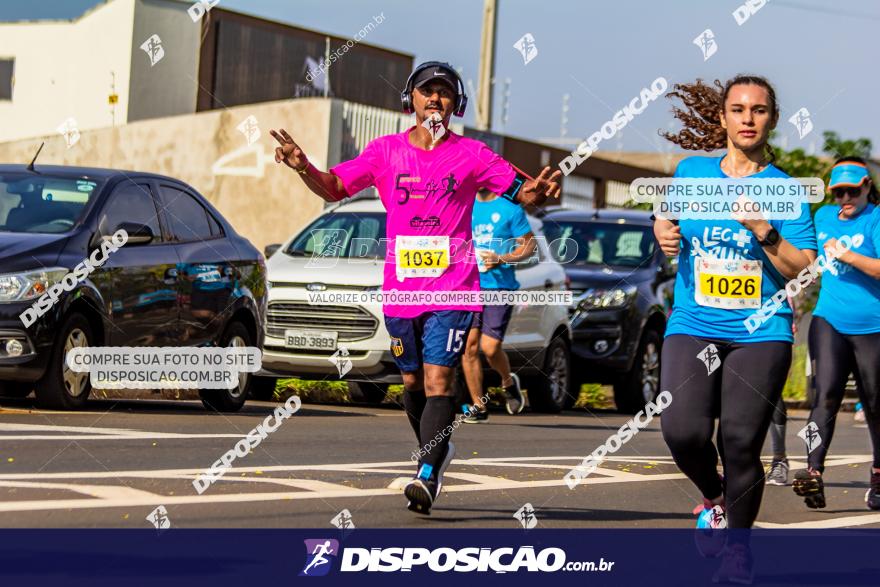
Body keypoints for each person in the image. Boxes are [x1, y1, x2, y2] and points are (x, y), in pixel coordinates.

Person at [270, 61, 560, 516]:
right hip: (401, 291)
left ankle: (427, 471)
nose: (435, 99)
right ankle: (436, 448)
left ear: (455, 105)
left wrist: (537, 192)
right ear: (411, 101)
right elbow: (332, 187)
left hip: (454, 287)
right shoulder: (385, 152)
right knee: (410, 382)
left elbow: (523, 191)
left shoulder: (473, 155)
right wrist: (302, 165)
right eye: (427, 91)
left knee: (438, 378)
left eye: (444, 93)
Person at [655, 75, 817, 583]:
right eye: (739, 109)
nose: (748, 118)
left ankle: (738, 551)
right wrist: (660, 228)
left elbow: (804, 267)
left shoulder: (785, 189)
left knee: (742, 442)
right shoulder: (691, 173)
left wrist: (764, 231)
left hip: (761, 331)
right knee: (681, 430)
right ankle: (715, 495)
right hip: (694, 321)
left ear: (771, 119)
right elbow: (667, 217)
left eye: (760, 110)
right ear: (723, 117)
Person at [792, 157, 880, 511]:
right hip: (829, 318)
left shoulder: (875, 218)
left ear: (867, 187)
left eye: (852, 191)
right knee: (824, 397)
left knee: (875, 403)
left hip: (873, 326)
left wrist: (848, 255)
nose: (845, 197)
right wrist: (793, 303)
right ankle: (813, 473)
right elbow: (809, 265)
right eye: (838, 191)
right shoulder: (823, 217)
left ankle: (878, 476)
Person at [461, 188, 536, 422]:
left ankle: (507, 381)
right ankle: (478, 406)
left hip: (499, 287)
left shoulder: (510, 209)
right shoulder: (462, 204)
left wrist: (501, 258)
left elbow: (529, 246)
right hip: (468, 286)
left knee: (490, 348)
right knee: (469, 347)